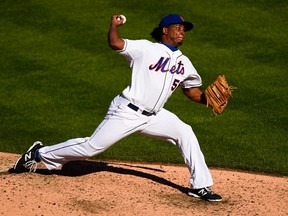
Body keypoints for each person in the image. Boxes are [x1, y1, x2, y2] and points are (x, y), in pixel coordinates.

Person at [10, 14, 222, 202]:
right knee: (91, 147)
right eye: (178, 28)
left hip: (154, 116)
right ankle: (37, 154)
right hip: (127, 111)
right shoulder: (146, 48)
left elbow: (191, 91)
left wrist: (207, 100)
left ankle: (200, 186)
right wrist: (114, 25)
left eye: (184, 29)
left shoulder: (185, 63)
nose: (182, 32)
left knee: (185, 131)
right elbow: (115, 43)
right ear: (165, 30)